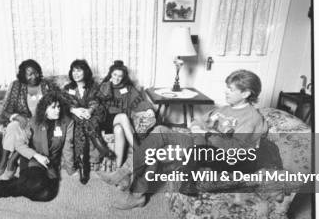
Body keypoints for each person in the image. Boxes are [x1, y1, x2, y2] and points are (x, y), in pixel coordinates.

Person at [101, 69, 268, 210]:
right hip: (197, 141)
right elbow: (197, 121)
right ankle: (127, 179)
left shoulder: (251, 118)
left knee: (157, 148)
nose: (226, 92)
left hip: (210, 153)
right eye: (227, 88)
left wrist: (205, 134)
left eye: (231, 89)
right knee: (159, 131)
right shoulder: (224, 108)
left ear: (246, 93)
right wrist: (199, 129)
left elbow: (235, 148)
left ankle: (133, 189)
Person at [0, 91, 74, 204]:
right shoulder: (33, 122)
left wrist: (71, 168)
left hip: (50, 163)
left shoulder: (67, 122)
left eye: (59, 107)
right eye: (53, 108)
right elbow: (19, 144)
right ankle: (2, 191)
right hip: (32, 159)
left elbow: (67, 146)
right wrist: (36, 155)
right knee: (36, 184)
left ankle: (3, 186)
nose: (58, 110)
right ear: (44, 109)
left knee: (47, 195)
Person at [0, 59, 57, 179]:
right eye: (30, 74)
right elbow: (6, 110)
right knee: (12, 127)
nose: (35, 76)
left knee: (29, 133)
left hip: (41, 121)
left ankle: (11, 162)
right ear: (23, 75)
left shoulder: (45, 85)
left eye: (37, 72)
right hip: (23, 119)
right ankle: (2, 162)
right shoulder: (17, 85)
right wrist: (16, 116)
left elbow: (55, 103)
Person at [63, 59, 114, 185]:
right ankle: (101, 148)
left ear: (85, 72)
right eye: (73, 71)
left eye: (79, 70)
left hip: (93, 114)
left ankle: (82, 165)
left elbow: (96, 101)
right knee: (81, 123)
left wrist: (89, 110)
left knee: (87, 120)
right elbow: (65, 103)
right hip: (75, 115)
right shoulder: (67, 88)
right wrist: (75, 110)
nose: (76, 73)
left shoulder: (93, 86)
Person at [98, 60, 155, 170]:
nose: (116, 78)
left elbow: (139, 102)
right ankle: (140, 151)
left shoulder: (128, 88)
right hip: (105, 119)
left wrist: (148, 109)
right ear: (110, 74)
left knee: (119, 129)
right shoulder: (104, 86)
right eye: (114, 75)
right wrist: (109, 84)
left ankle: (117, 167)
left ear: (123, 77)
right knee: (123, 117)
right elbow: (100, 100)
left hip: (120, 123)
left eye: (120, 76)